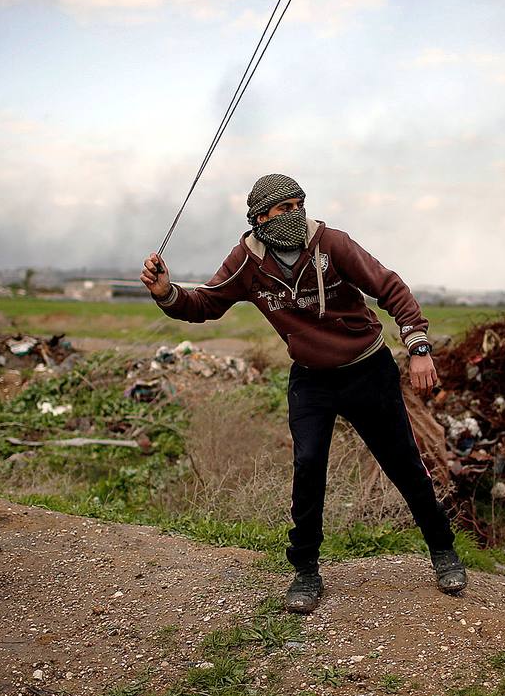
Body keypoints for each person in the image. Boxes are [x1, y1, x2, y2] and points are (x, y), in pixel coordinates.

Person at [141, 173, 466, 614]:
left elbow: (390, 287)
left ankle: (443, 551)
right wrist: (167, 294)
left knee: (404, 464)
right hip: (312, 378)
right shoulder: (247, 261)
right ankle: (306, 572)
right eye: (283, 208)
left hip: (367, 368)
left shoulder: (333, 244)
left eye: (299, 204)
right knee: (308, 465)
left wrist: (419, 347)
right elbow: (207, 303)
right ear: (260, 219)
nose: (295, 213)